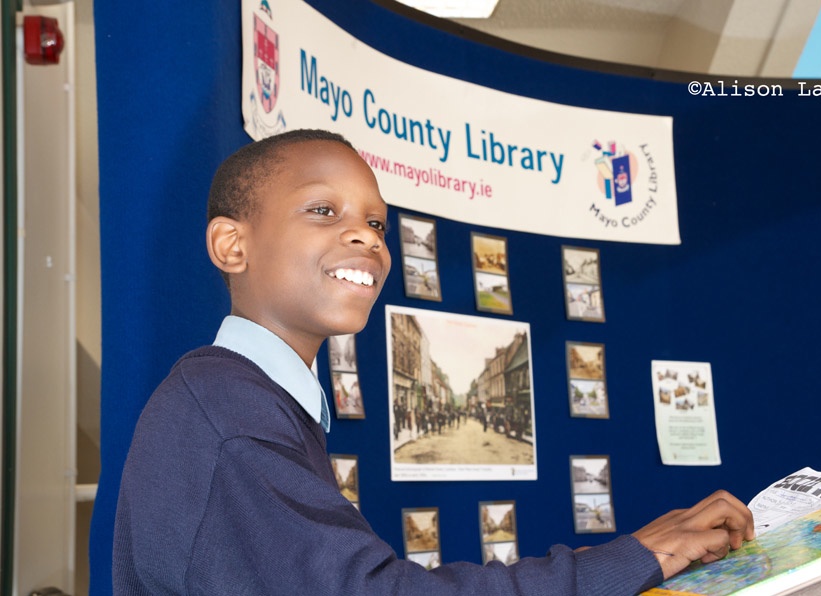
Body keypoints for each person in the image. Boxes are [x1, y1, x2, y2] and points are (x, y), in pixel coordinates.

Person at [113, 128, 754, 595]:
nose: (365, 235)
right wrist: (630, 559)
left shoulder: (256, 403)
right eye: (322, 210)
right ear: (232, 245)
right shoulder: (230, 414)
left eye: (377, 222)